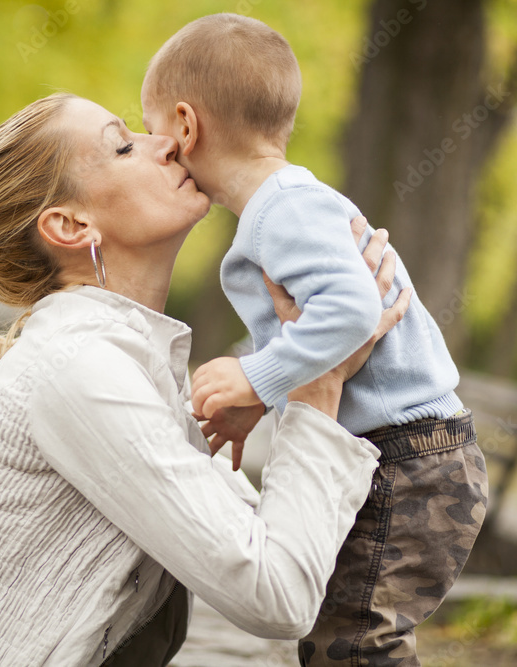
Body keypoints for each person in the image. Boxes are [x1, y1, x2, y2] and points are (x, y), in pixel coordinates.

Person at [0, 92, 410, 667]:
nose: (168, 143)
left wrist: (308, 354)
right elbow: (275, 597)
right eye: (123, 144)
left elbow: (264, 550)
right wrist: (318, 383)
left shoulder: (133, 361)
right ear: (70, 224)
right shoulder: (78, 368)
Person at [140, 14, 488, 666]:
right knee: (336, 633)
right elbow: (312, 324)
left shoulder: (285, 211)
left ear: (185, 126)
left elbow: (352, 312)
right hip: (408, 453)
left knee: (354, 642)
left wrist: (258, 377)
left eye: (153, 131)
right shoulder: (287, 207)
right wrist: (257, 388)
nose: (156, 151)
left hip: (408, 459)